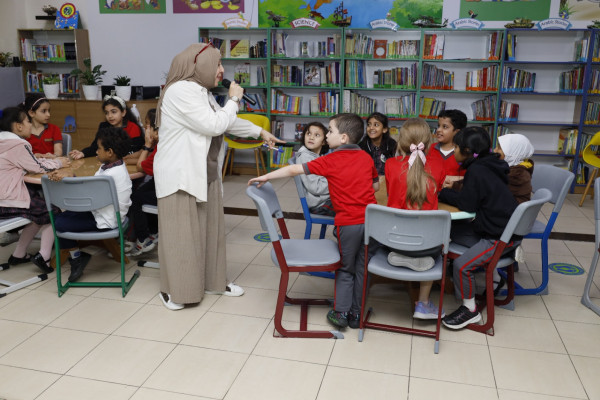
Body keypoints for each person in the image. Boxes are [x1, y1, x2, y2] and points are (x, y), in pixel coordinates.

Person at [153, 42, 283, 311]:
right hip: (180, 175)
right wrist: (234, 99)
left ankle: (214, 282)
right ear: (199, 65)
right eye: (218, 63)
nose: (222, 70)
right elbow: (214, 125)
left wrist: (259, 132)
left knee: (210, 232)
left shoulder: (201, 91)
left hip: (205, 172)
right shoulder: (179, 90)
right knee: (182, 237)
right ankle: (176, 291)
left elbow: (227, 120)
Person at [249, 113, 380, 329]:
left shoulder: (330, 159)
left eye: (330, 131)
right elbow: (375, 187)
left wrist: (266, 176)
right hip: (371, 221)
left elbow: (293, 170)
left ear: (344, 138)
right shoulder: (366, 158)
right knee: (361, 268)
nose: (327, 135)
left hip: (347, 224)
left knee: (345, 268)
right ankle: (357, 315)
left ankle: (341, 313)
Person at [438, 127, 519, 330]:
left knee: (462, 266)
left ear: (466, 150)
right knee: (448, 232)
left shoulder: (477, 170)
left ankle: (469, 309)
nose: (453, 150)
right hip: (497, 228)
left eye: (456, 147)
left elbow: (467, 205)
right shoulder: (492, 164)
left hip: (498, 238)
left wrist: (442, 193)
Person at [48, 127, 133, 282]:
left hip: (106, 220)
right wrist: (69, 175)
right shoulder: (111, 167)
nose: (96, 151)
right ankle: (77, 256)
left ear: (110, 152)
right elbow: (90, 194)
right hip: (100, 212)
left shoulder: (110, 176)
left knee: (59, 222)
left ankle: (76, 258)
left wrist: (69, 177)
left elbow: (85, 197)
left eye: (99, 148)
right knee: (61, 216)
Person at [384, 118, 446, 319]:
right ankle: (424, 303)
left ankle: (402, 256)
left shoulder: (391, 165)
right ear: (428, 142)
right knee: (440, 238)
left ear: (400, 141)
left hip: (393, 239)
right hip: (427, 242)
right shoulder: (439, 165)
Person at [0, 106, 67, 273]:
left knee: (38, 212)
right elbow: (38, 167)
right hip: (7, 199)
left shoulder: (3, 142)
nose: (30, 125)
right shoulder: (17, 144)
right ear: (18, 126)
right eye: (28, 121)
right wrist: (60, 162)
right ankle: (44, 256)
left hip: (3, 199)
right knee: (53, 211)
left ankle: (19, 254)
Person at [69, 95, 143, 164]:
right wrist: (82, 153)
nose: (110, 116)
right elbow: (96, 147)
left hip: (126, 164)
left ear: (123, 112)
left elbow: (135, 151)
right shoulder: (103, 126)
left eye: (114, 112)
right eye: (107, 113)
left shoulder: (133, 127)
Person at [125, 108, 159, 256]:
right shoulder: (161, 144)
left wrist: (146, 145)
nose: (145, 129)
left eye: (147, 126)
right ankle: (153, 231)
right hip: (165, 185)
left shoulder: (159, 147)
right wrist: (124, 159)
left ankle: (143, 238)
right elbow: (141, 158)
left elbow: (141, 165)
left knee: (135, 198)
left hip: (166, 192)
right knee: (143, 191)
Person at [295, 121, 334, 216]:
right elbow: (315, 187)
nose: (311, 137)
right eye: (308, 133)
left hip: (325, 200)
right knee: (354, 209)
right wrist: (336, 182)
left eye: (316, 135)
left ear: (324, 141)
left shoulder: (316, 156)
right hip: (320, 205)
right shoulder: (305, 157)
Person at [430, 109, 467, 188]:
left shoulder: (463, 154)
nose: (438, 130)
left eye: (445, 127)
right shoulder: (431, 148)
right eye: (438, 126)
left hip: (453, 197)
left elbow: (470, 179)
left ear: (457, 132)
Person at [494, 133, 535, 204]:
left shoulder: (516, 174)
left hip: (512, 210)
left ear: (513, 153)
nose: (495, 150)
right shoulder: (517, 167)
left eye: (499, 148)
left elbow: (493, 189)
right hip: (508, 205)